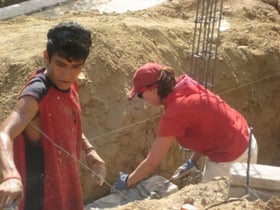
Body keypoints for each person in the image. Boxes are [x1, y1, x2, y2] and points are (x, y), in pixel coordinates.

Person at [0, 21, 106, 210]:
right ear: (46, 57)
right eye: (61, 64)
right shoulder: (36, 94)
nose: (67, 73)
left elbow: (66, 122)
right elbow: (4, 133)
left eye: (76, 67)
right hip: (40, 193)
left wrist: (88, 149)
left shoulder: (68, 83)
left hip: (64, 181)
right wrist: (10, 176)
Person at [113, 62, 258, 191]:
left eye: (140, 95)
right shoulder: (186, 84)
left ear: (152, 89)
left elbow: (152, 162)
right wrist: (193, 161)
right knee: (240, 197)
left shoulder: (174, 114)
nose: (142, 100)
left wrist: (127, 181)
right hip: (247, 142)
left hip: (228, 159)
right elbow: (208, 126)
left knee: (208, 204)